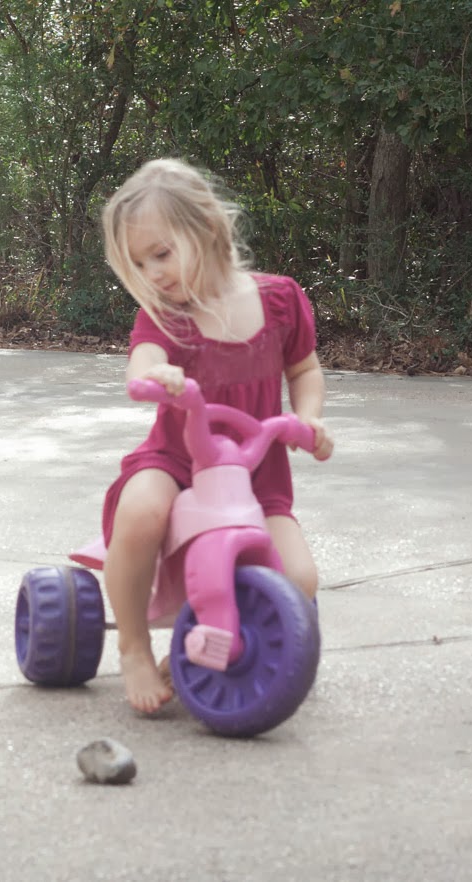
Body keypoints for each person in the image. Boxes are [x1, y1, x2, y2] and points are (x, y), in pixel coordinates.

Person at [98, 158, 334, 714]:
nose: (153, 274)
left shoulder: (280, 299)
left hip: (255, 474)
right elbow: (141, 362)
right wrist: (155, 375)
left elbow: (304, 369)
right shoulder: (165, 316)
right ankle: (133, 645)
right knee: (142, 511)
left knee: (299, 577)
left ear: (207, 226)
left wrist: (309, 418)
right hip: (177, 459)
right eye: (139, 263)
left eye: (161, 253)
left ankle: (209, 646)